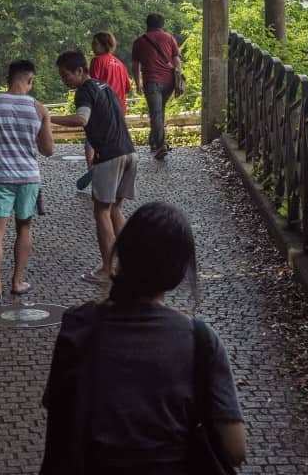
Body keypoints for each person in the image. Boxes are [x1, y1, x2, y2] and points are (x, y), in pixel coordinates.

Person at [39, 201, 246, 475]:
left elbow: (60, 418)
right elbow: (235, 450)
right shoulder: (200, 341)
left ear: (123, 254)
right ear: (179, 271)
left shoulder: (79, 325)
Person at [0, 59, 53, 306]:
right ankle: (17, 282)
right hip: (28, 177)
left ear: (9, 78)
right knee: (24, 228)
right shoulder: (39, 109)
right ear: (30, 80)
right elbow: (48, 149)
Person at [54, 49, 137, 282]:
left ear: (80, 70)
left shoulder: (84, 91)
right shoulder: (105, 87)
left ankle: (107, 269)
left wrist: (47, 117)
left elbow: (82, 119)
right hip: (129, 152)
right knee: (116, 210)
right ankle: (129, 263)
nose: (65, 80)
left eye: (66, 75)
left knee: (101, 211)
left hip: (110, 156)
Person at [131, 13, 182, 160]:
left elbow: (135, 65)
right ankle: (154, 142)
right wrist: (178, 82)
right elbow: (177, 61)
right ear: (162, 24)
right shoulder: (169, 38)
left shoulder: (139, 41)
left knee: (156, 113)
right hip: (169, 82)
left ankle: (160, 146)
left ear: (147, 24)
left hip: (152, 81)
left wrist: (138, 82)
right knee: (159, 112)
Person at [84, 31, 132, 168]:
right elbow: (127, 88)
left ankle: (91, 166)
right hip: (120, 108)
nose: (92, 46)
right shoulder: (120, 64)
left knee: (92, 134)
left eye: (95, 43)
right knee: (114, 138)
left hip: (102, 107)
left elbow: (91, 84)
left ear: (104, 45)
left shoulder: (97, 61)